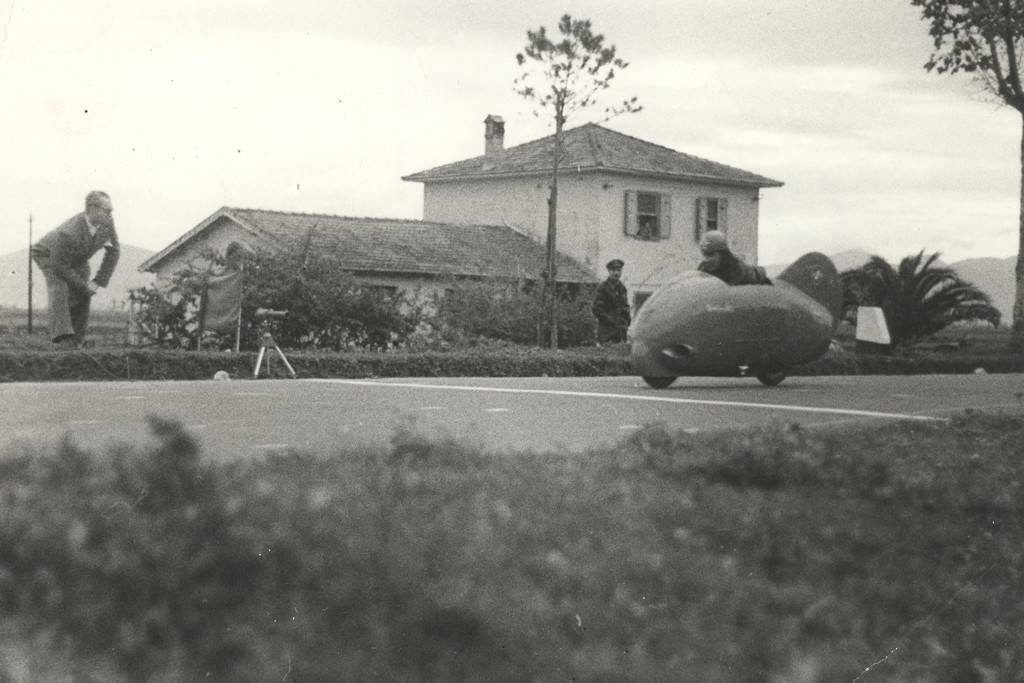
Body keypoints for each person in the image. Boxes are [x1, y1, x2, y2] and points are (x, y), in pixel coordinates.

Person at [31, 190, 120, 347]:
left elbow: (114, 252)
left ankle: (77, 341)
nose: (111, 214)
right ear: (92, 209)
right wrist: (84, 287)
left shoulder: (107, 223)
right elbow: (59, 266)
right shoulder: (68, 232)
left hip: (76, 259)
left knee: (84, 293)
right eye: (108, 210)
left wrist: (98, 281)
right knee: (59, 286)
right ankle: (61, 338)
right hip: (48, 255)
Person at [696, 230, 771, 286]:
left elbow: (730, 291)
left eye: (710, 254)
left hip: (758, 280)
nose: (706, 259)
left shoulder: (735, 267)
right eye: (705, 255)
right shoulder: (703, 267)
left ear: (722, 254)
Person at [592, 258, 631, 344]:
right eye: (613, 270)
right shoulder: (603, 288)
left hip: (621, 332)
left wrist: (627, 321)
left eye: (619, 270)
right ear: (609, 271)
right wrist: (610, 321)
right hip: (607, 332)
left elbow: (625, 306)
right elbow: (596, 309)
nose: (616, 273)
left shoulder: (622, 288)